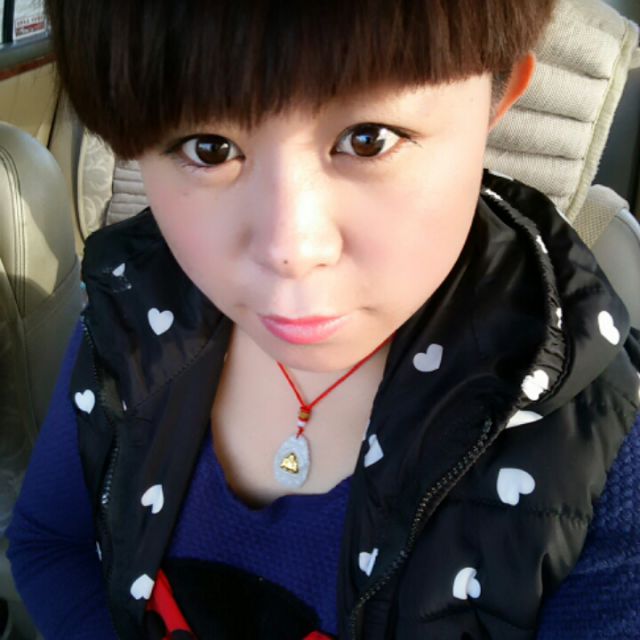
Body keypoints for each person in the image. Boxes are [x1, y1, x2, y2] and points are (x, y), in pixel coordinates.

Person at [7, 1, 640, 638]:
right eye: (210, 148)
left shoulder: (599, 454)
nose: (290, 249)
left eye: (369, 139)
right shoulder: (132, 309)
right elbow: (50, 543)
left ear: (496, 103)